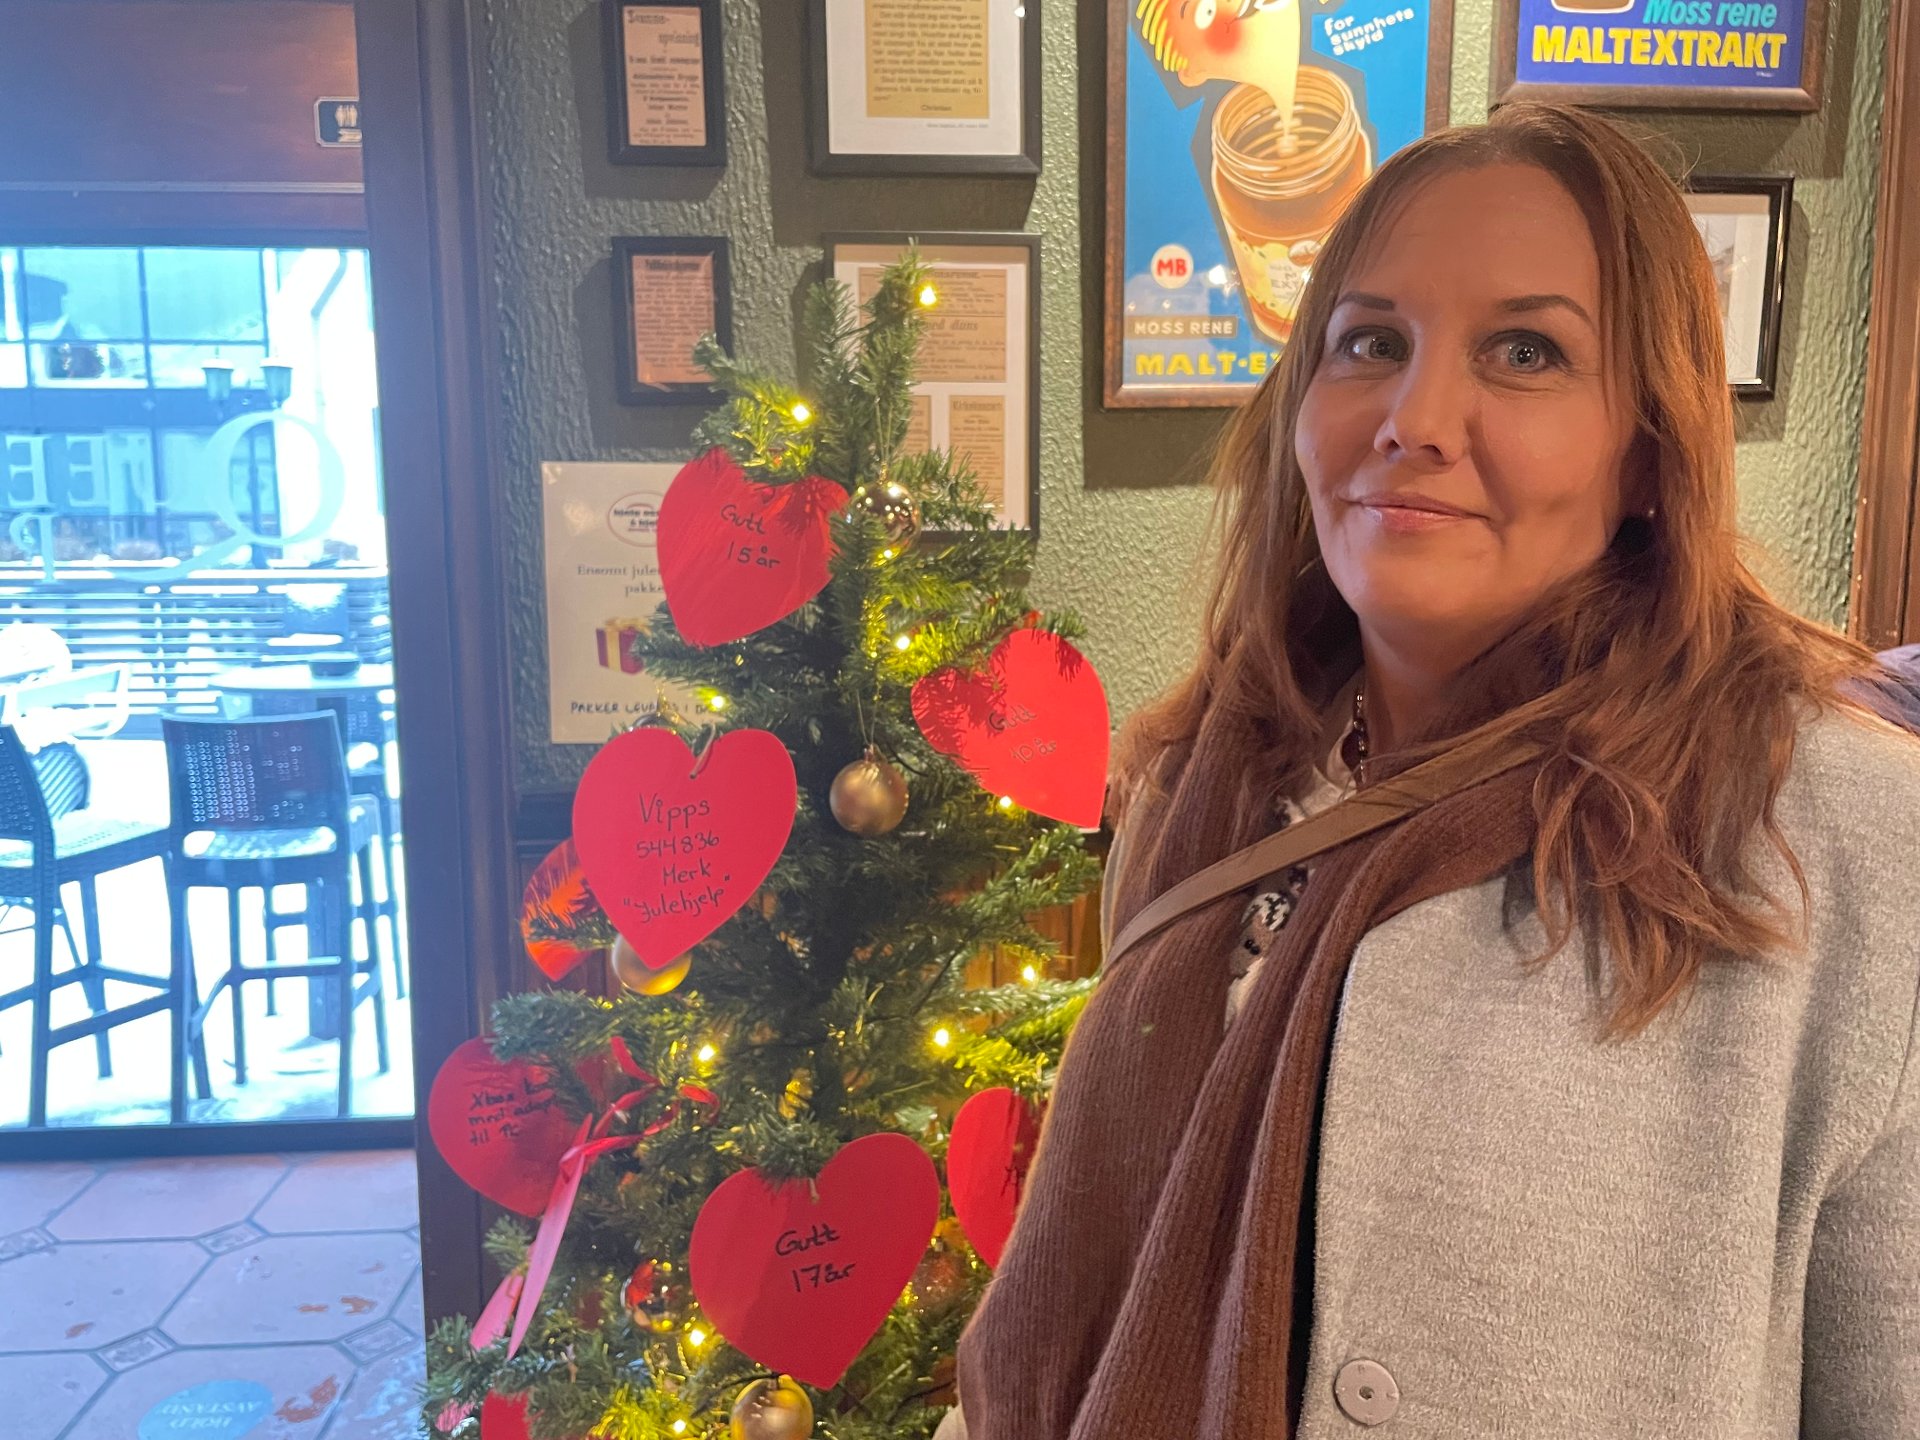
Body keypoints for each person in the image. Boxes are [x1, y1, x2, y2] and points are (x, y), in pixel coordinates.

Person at [946, 102, 1920, 1439]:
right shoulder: (1198, 785)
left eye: (1526, 352)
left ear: (1649, 448)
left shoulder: (1838, 830)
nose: (1415, 418)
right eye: (1372, 343)